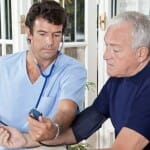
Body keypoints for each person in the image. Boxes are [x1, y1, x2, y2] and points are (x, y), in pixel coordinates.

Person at [7, 11, 150, 149]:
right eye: (107, 46)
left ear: (141, 53)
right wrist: (26, 139)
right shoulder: (118, 79)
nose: (105, 56)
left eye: (116, 50)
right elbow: (82, 127)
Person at [0, 0, 86, 149]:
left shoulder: (73, 70)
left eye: (56, 35)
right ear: (29, 32)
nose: (50, 42)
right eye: (42, 33)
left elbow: (66, 110)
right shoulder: (3, 66)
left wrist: (54, 127)